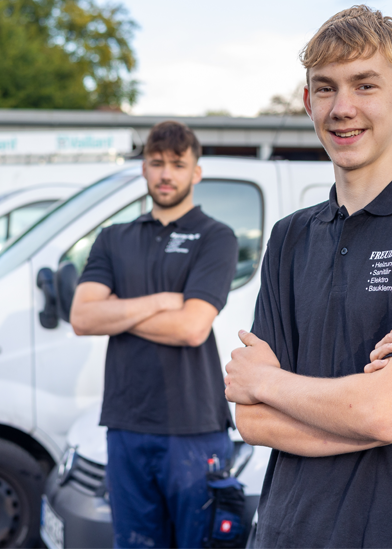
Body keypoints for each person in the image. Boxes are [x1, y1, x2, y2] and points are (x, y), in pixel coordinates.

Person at [224, 5, 392, 548]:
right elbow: (253, 422)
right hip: (286, 534)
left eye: (365, 85)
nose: (342, 108)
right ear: (307, 102)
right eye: (325, 89)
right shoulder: (290, 238)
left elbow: (384, 408)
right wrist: (371, 416)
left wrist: (270, 383)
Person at [70, 120, 238, 549]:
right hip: (126, 424)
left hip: (193, 427)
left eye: (177, 164)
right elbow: (82, 318)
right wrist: (160, 301)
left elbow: (190, 327)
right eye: (156, 162)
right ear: (143, 168)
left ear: (195, 172)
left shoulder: (215, 237)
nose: (166, 174)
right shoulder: (113, 239)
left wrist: (117, 311)